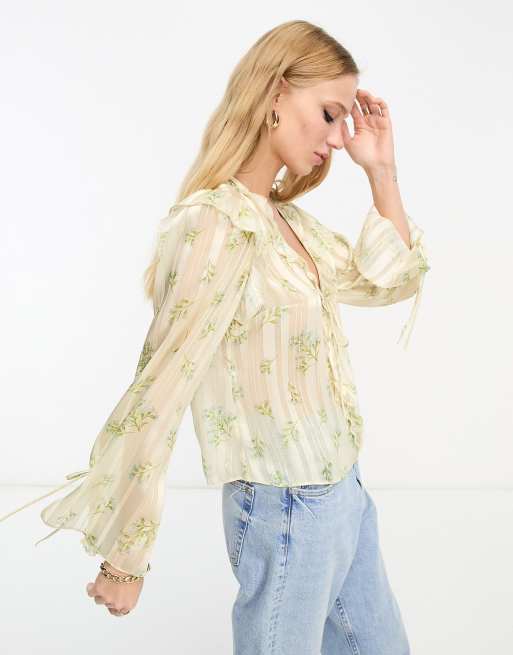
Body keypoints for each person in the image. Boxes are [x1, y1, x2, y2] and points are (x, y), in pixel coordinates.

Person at [0, 19, 429, 650]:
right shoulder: (213, 224)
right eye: (329, 114)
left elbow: (388, 280)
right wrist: (127, 556)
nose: (340, 139)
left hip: (347, 494)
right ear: (277, 93)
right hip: (286, 506)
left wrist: (382, 170)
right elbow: (160, 387)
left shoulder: (290, 224)